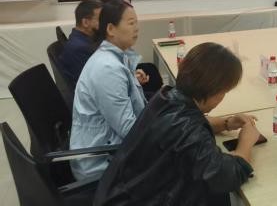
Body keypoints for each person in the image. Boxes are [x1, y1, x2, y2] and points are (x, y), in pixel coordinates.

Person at [94, 42, 259, 206]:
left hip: (120, 193)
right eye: (224, 92)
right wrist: (246, 143)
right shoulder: (187, 129)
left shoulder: (167, 97)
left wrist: (226, 123)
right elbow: (226, 176)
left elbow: (188, 126)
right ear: (214, 91)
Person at [70, 0, 147, 181]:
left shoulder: (115, 57)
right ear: (111, 29)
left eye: (137, 23)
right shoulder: (107, 68)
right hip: (103, 163)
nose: (136, 28)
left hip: (111, 147)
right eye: (131, 23)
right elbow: (129, 130)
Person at [58, 0, 102, 86]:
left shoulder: (78, 38)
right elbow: (98, 81)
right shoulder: (81, 48)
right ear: (85, 22)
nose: (105, 24)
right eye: (101, 19)